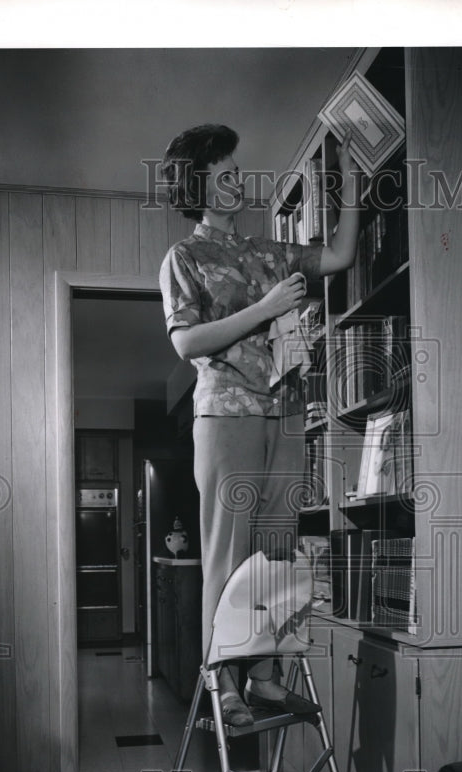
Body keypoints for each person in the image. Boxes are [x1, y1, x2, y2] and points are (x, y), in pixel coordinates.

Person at [158, 123, 360, 726]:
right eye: (224, 174)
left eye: (236, 171)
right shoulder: (185, 256)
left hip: (288, 412)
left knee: (276, 551)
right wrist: (266, 309)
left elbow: (341, 255)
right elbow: (187, 341)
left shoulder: (269, 251)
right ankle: (222, 682)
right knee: (227, 550)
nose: (237, 181)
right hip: (226, 414)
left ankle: (266, 678)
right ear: (199, 186)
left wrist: (348, 181)